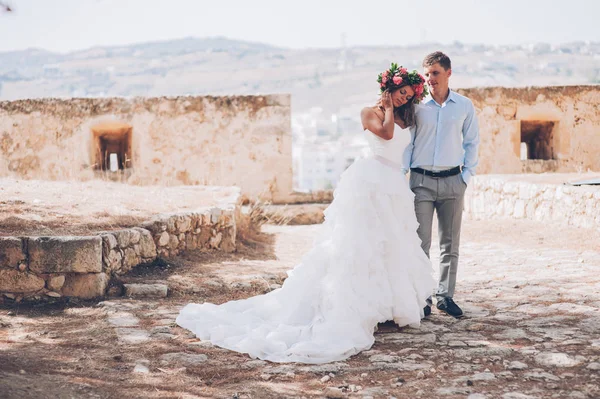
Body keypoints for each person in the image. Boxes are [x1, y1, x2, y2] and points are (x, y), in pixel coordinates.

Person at [176, 63, 436, 364]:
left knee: (391, 243)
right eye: (400, 93)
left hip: (394, 183)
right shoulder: (370, 113)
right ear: (388, 88)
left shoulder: (408, 117)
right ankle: (353, 308)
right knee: (362, 244)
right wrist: (389, 108)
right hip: (371, 181)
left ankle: (389, 306)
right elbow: (387, 135)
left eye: (407, 95)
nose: (403, 99)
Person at [402, 51, 480, 318]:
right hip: (420, 181)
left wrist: (465, 178)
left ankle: (445, 297)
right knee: (420, 243)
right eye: (427, 74)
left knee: (450, 244)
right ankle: (422, 298)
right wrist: (402, 175)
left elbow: (472, 142)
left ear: (448, 73)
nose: (430, 79)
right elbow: (407, 142)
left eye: (435, 73)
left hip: (452, 182)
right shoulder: (416, 105)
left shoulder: (464, 106)